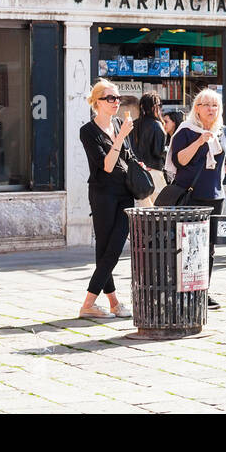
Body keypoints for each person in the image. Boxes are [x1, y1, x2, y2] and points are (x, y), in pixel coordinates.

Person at [77, 79, 145, 319]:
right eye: (110, 98)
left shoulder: (118, 124)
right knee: (108, 249)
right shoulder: (88, 131)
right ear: (97, 102)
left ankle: (111, 303)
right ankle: (90, 304)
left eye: (117, 98)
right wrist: (120, 137)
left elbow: (126, 155)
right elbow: (106, 166)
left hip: (125, 191)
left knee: (113, 248)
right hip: (103, 194)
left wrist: (138, 163)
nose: (116, 102)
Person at [167, 89, 226, 309]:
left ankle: (203, 291)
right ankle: (184, 290)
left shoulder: (222, 131)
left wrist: (225, 168)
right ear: (196, 109)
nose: (211, 109)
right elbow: (179, 160)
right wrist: (200, 141)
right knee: (187, 246)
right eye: (206, 105)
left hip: (215, 196)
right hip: (190, 195)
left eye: (215, 105)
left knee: (208, 248)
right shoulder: (186, 130)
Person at [133, 92, 168, 206]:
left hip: (138, 172)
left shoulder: (134, 124)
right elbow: (158, 152)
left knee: (144, 210)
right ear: (155, 107)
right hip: (154, 172)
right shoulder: (156, 125)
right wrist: (168, 150)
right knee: (161, 210)